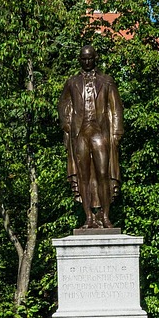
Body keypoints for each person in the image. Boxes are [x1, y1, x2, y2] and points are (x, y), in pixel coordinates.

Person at [58, 44, 124, 230]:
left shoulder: (107, 81)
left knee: (104, 174)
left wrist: (117, 133)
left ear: (96, 58)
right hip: (80, 134)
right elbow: (63, 104)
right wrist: (66, 124)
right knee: (83, 176)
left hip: (100, 132)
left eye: (90, 58)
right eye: (83, 59)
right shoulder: (72, 82)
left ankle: (105, 216)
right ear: (80, 60)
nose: (87, 62)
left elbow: (116, 107)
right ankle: (88, 217)